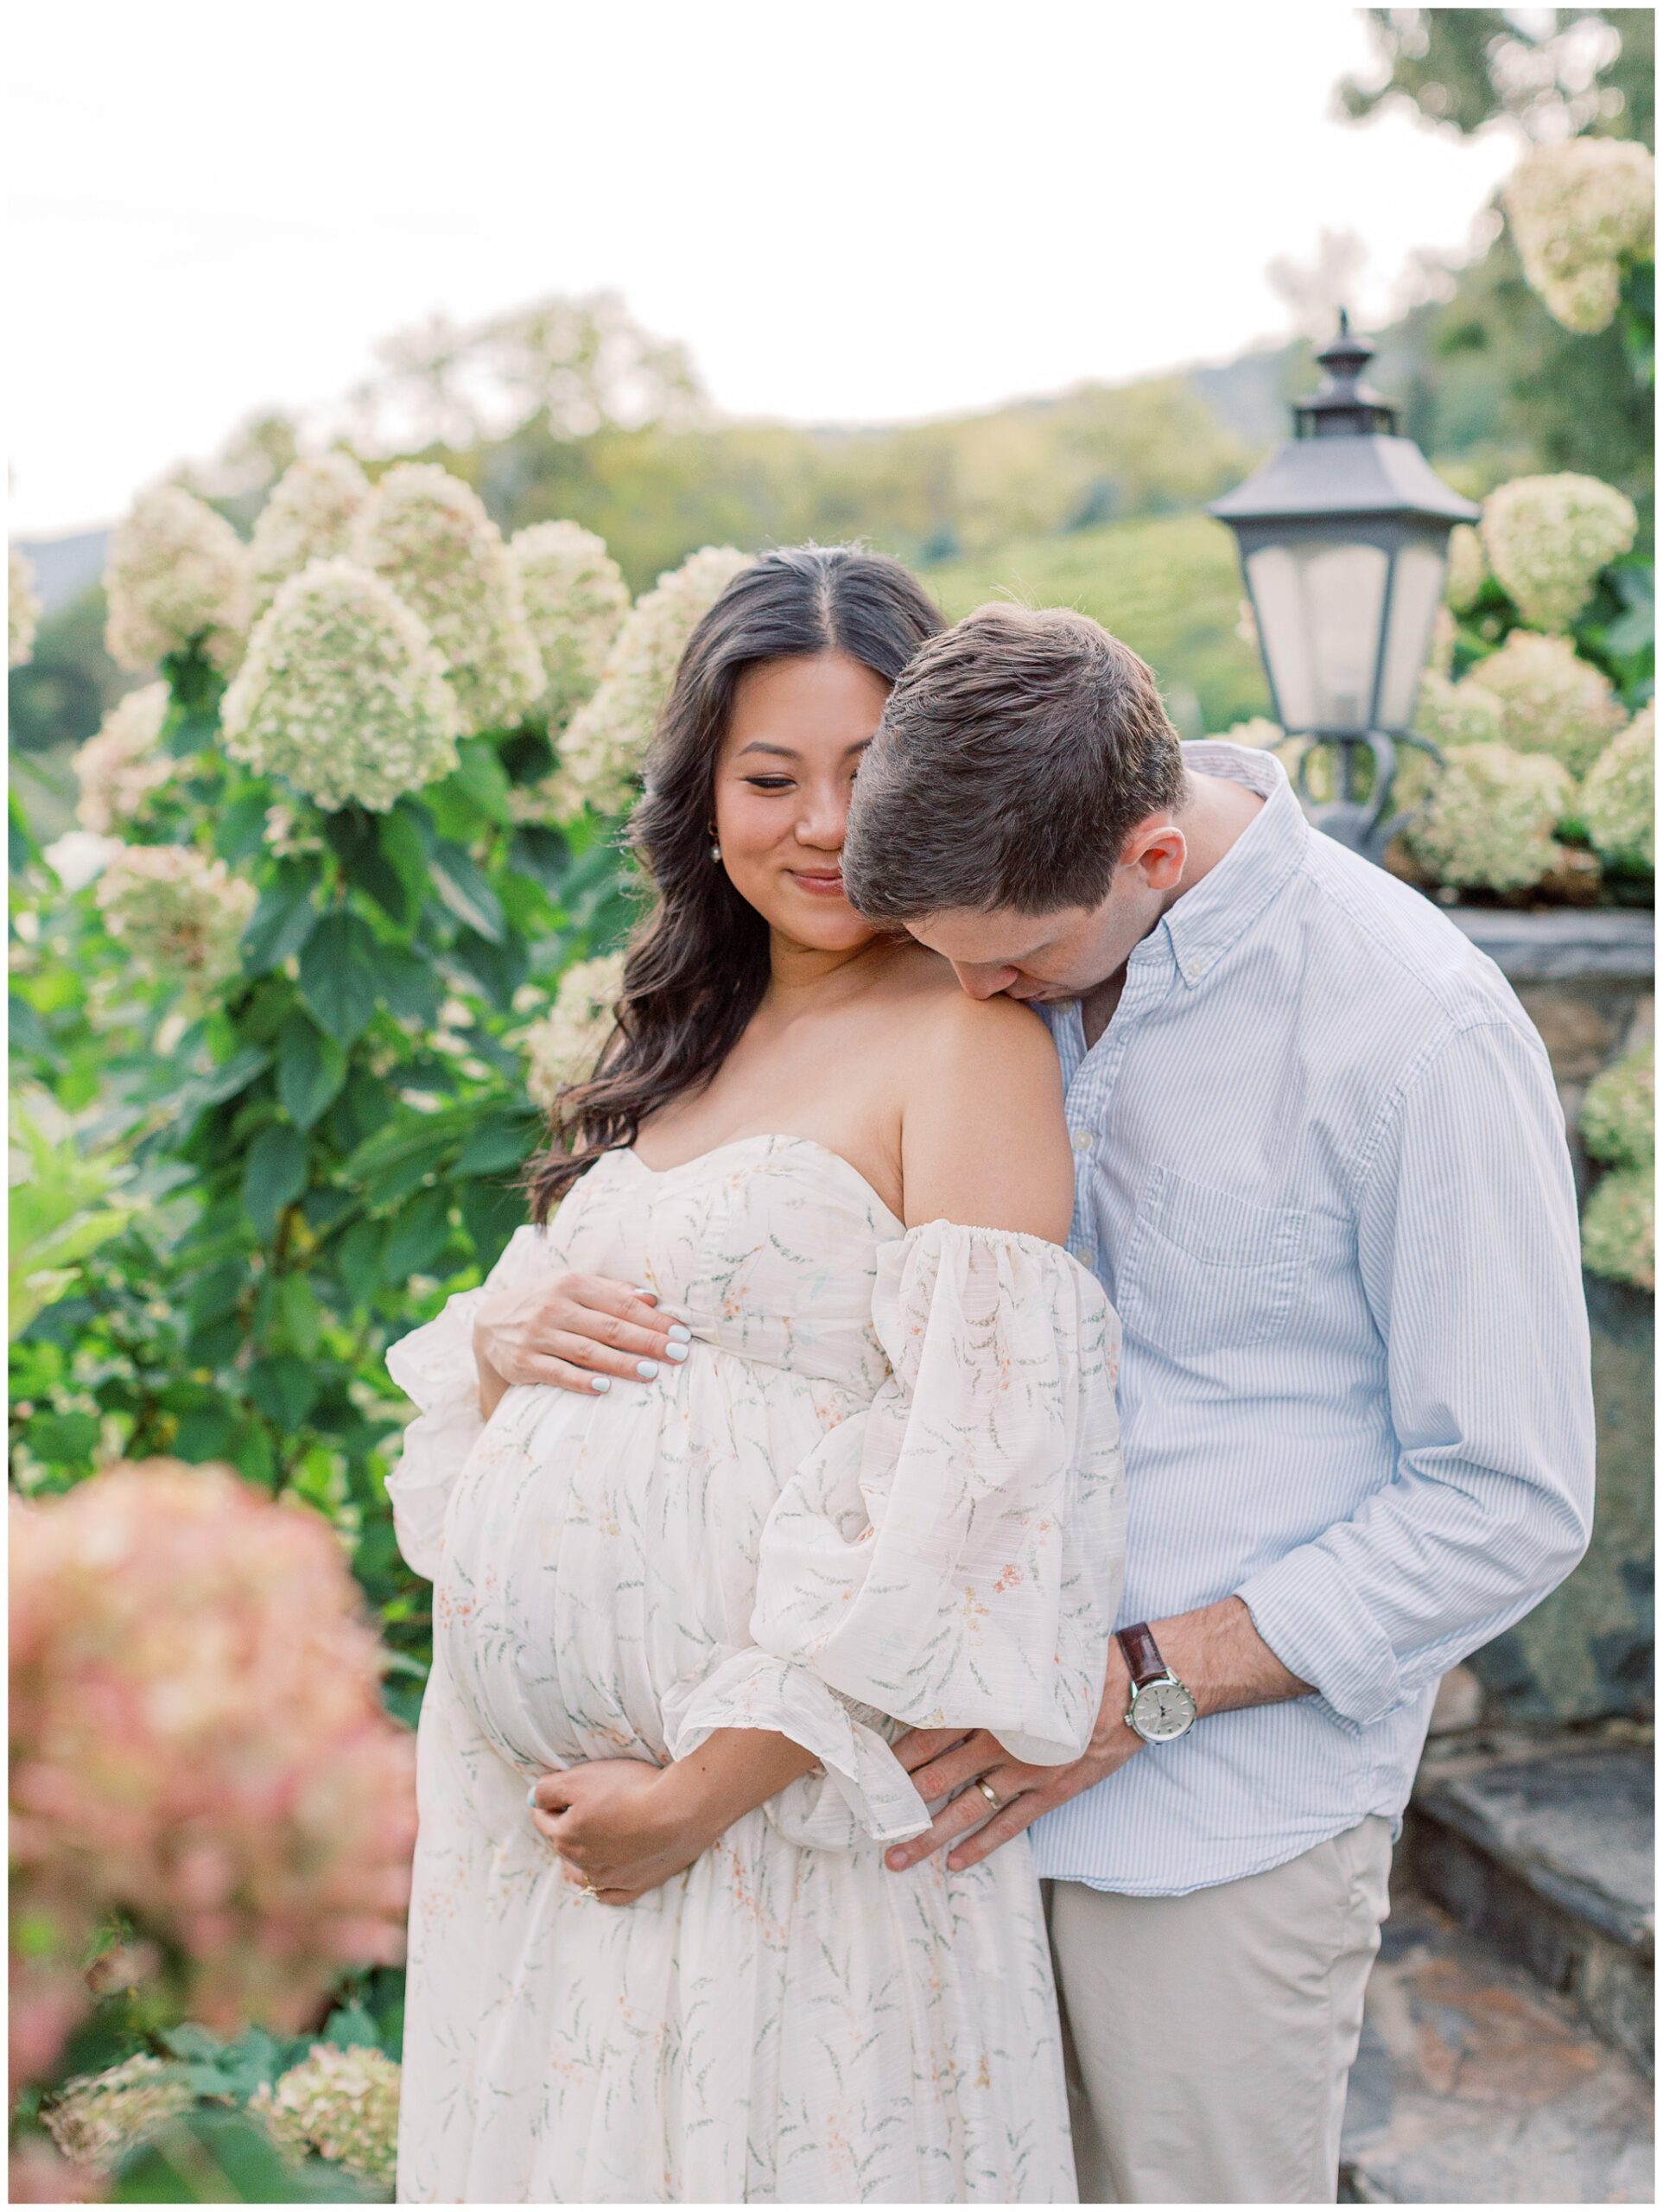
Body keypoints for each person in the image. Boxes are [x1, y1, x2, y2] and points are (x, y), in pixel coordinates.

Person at [548, 601, 1596, 2203]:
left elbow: (1507, 1501)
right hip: (915, 1816)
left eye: (1016, 963)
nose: (971, 995)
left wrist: (1135, 1684)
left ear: (1154, 859)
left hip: (1205, 1824)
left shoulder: (1415, 1038)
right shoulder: (1004, 892)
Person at [384, 550, 1127, 2203]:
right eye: (769, 777)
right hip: (549, 1854)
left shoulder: (966, 1039)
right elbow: (482, 1438)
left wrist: (705, 1792)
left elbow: (978, 1479)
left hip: (780, 1832)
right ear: (701, 801)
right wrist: (501, 1351)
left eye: (869, 774)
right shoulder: (677, 1044)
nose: (818, 825)